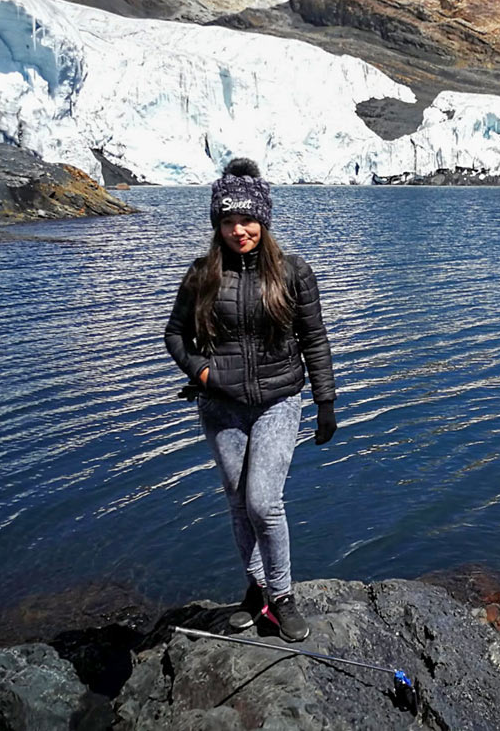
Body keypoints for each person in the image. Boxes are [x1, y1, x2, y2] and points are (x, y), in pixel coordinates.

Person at [164, 157, 337, 642]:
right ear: (217, 224)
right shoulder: (202, 275)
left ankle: (282, 597)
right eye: (228, 220)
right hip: (221, 405)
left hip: (279, 401)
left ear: (264, 220)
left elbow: (315, 338)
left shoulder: (293, 273)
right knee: (239, 503)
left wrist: (325, 402)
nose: (239, 230)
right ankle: (255, 591)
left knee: (264, 503)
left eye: (247, 219)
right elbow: (175, 334)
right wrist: (201, 370)